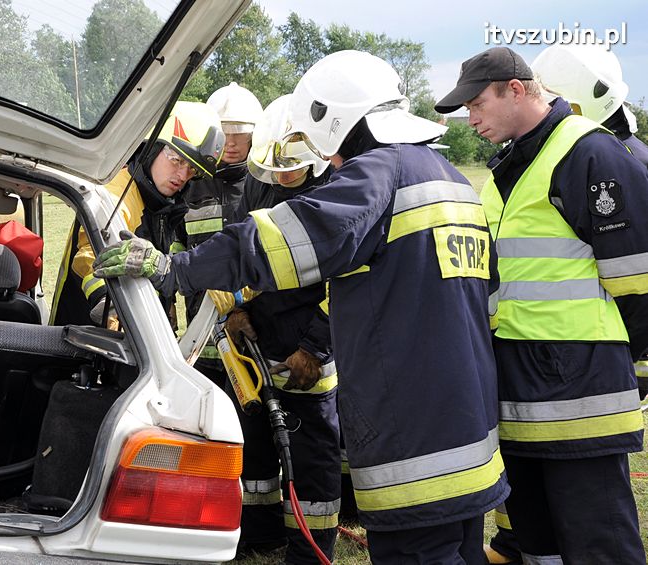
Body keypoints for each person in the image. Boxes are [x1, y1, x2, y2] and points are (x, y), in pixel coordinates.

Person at [93, 50, 508, 564]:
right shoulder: (451, 179)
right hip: (470, 436)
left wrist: (172, 269)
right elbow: (488, 301)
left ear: (333, 120)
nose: (328, 162)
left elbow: (271, 244)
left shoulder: (377, 176)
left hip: (413, 447)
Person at [435, 46, 648, 564]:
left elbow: (640, 283)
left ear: (516, 89)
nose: (471, 117)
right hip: (518, 390)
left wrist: (631, 371)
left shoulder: (588, 153)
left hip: (580, 396)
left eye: (477, 104)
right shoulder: (508, 165)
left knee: (597, 543)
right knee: (536, 543)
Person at [221, 94, 339, 564]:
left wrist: (312, 347)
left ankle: (310, 551)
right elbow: (245, 251)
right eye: (274, 168)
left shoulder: (337, 192)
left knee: (310, 456)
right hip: (260, 338)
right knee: (257, 447)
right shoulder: (261, 183)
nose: (282, 176)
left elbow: (343, 285)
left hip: (311, 344)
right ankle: (261, 532)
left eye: (291, 168)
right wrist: (236, 308)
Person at [49, 100, 224, 328]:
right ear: (152, 148)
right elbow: (92, 255)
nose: (183, 175)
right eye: (177, 160)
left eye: (193, 169)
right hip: (83, 339)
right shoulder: (117, 194)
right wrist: (112, 308)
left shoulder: (165, 204)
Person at [183, 82, 263, 387]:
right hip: (200, 336)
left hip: (250, 336)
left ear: (254, 135)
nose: (231, 143)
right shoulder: (190, 185)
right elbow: (180, 248)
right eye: (224, 133)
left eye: (239, 133)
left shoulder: (262, 186)